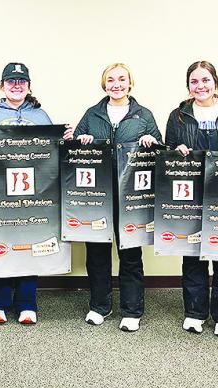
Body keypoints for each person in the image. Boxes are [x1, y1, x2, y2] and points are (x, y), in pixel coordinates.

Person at [0, 62, 73, 324]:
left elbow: (53, 155)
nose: (16, 85)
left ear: (28, 85)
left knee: (28, 242)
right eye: (11, 81)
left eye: (21, 81)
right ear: (2, 86)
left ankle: (27, 303)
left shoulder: (40, 115)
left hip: (32, 195)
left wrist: (65, 141)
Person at [74, 63, 162, 332]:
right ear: (104, 85)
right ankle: (100, 306)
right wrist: (82, 139)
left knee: (131, 254)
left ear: (130, 83)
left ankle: (132, 310)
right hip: (96, 194)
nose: (116, 84)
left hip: (131, 196)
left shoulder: (143, 115)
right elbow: (75, 141)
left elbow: (160, 148)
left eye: (121, 79)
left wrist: (151, 140)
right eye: (111, 80)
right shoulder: (92, 114)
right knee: (97, 253)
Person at [166, 61, 218, 335]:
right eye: (194, 82)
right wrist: (177, 149)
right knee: (193, 253)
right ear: (188, 86)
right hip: (189, 194)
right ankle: (195, 313)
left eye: (205, 80)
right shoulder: (178, 116)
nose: (200, 86)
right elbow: (168, 151)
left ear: (215, 82)